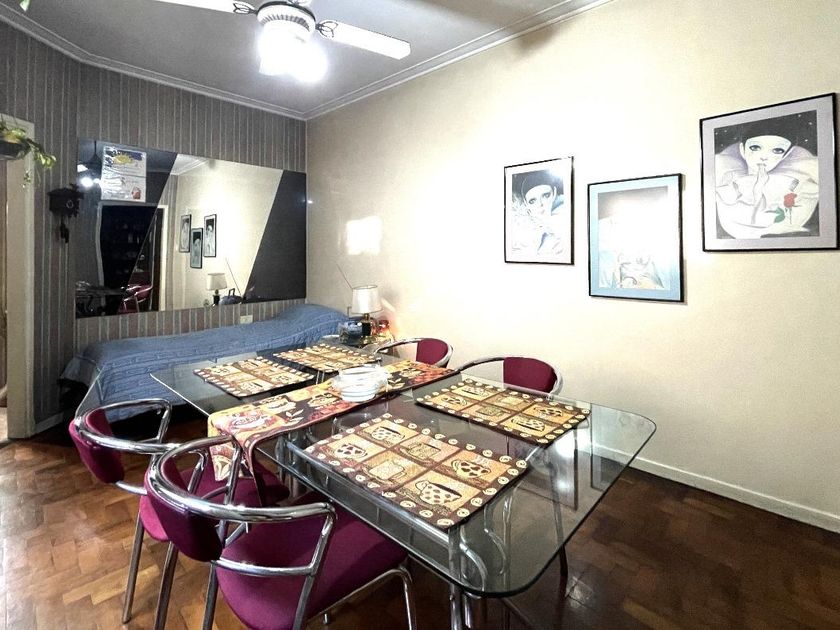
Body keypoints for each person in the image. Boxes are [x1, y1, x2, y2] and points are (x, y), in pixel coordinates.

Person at [714, 115, 819, 239]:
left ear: (785, 155)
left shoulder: (789, 182)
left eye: (777, 150)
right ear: (742, 149)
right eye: (755, 148)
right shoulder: (730, 181)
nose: (764, 157)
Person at [509, 169, 568, 257]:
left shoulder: (563, 219)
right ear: (526, 204)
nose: (540, 204)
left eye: (545, 196)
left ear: (554, 192)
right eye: (532, 201)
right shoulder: (520, 230)